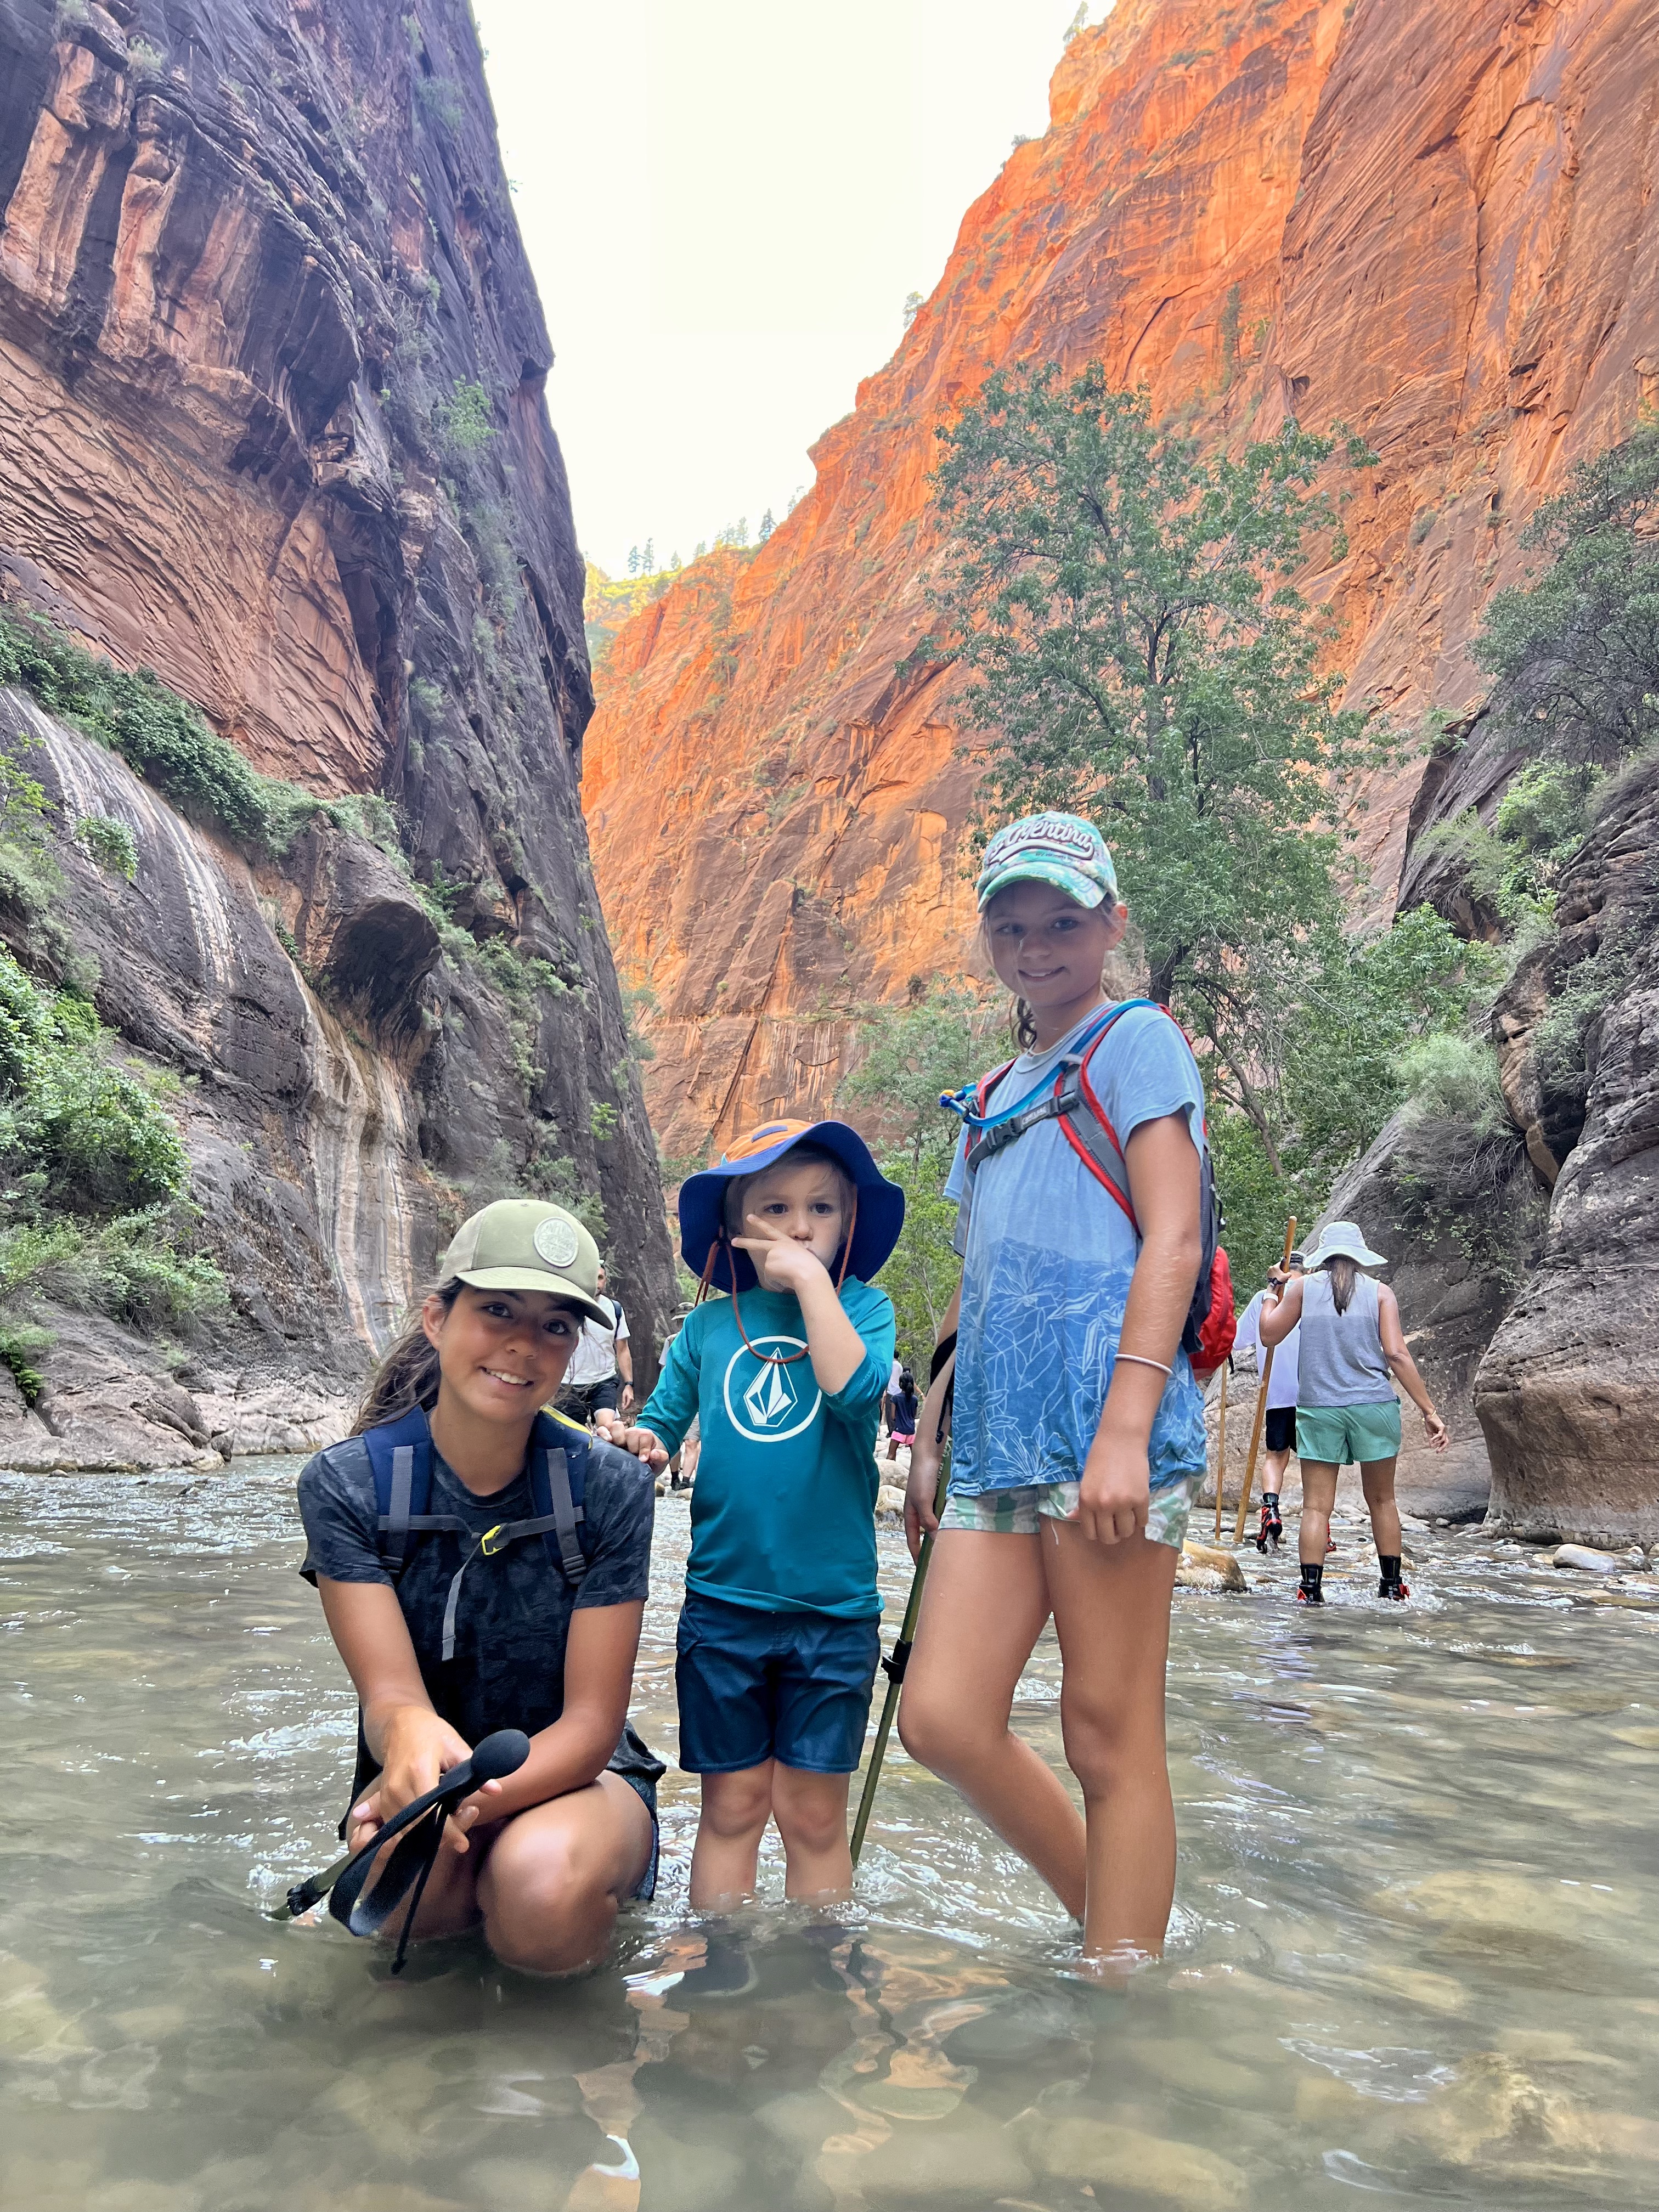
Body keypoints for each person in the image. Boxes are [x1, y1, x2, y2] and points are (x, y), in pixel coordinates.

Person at [898, 810, 1208, 1970]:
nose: (1035, 947)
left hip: (1101, 1434)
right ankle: (1115, 1911)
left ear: (1110, 925)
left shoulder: (1137, 1043)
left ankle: (1120, 1993)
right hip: (994, 1445)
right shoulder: (988, 1095)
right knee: (940, 1717)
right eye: (1012, 927)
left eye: (1062, 923)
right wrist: (931, 1436)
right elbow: (973, 1282)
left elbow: (1173, 1237)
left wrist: (1124, 1430)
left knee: (1105, 1731)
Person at [296, 1199, 664, 1974]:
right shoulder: (346, 1486)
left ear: (574, 1350)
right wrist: (415, 1755)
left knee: (538, 1884)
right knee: (407, 1899)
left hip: (580, 1782)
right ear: (437, 1319)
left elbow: (592, 1725)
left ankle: (561, 2020)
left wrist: (463, 1803)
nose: (524, 1345)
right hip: (425, 1779)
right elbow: (392, 1700)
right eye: (498, 1310)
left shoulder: (612, 1489)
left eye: (556, 1326)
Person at [601, 1119, 901, 1909]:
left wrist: (811, 1286)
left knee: (812, 1816)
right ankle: (720, 1968)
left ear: (849, 1223)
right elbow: (661, 1427)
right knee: (732, 1808)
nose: (799, 1228)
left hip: (833, 1612)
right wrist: (638, 1442)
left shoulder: (865, 1310)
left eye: (821, 1209)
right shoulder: (707, 1328)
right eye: (775, 1208)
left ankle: (816, 1967)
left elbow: (855, 1392)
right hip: (724, 1608)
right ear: (736, 1227)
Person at [1258, 1221, 1448, 1604]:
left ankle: (1310, 1590)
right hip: (1373, 1407)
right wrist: (1429, 1410)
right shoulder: (1381, 1293)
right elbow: (1397, 1354)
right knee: (1383, 1501)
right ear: (1360, 1256)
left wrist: (1272, 1291)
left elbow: (1268, 1334)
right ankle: (1392, 1587)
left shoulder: (1302, 1290)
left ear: (1324, 1257)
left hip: (1320, 1410)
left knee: (1316, 1507)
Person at [1234, 1250, 1305, 1551]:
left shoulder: (1264, 1299)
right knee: (1316, 1461)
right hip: (1312, 1393)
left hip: (1276, 1391)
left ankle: (1271, 1511)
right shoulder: (1313, 1295)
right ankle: (1320, 1526)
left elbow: (1238, 1341)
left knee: (1276, 1456)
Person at [556, 1261, 634, 1424]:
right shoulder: (566, 1307)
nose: (596, 1282)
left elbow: (623, 1349)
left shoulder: (614, 1309)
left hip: (604, 1381)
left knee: (607, 1428)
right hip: (569, 1383)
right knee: (570, 1433)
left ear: (605, 1281)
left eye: (600, 1277)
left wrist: (629, 1384)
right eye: (592, 1277)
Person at [885, 1370, 919, 1461]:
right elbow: (914, 1415)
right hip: (911, 1431)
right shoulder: (915, 1399)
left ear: (900, 1384)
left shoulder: (895, 1398)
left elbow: (893, 1417)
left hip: (899, 1430)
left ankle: (890, 1469)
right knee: (916, 1458)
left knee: (891, 1455)